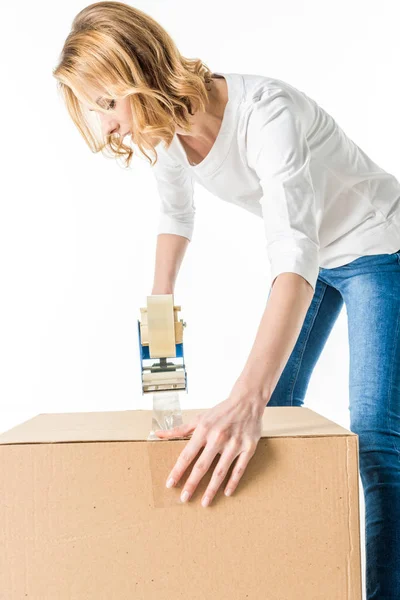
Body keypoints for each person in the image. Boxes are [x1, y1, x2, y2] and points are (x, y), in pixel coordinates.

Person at [53, 2, 400, 597]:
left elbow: (293, 252)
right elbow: (175, 211)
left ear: (141, 74)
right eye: (96, 111)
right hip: (312, 255)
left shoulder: (267, 114)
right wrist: (159, 303)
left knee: (375, 443)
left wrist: (245, 397)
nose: (109, 126)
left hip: (377, 246)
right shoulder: (163, 132)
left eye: (109, 103)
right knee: (276, 414)